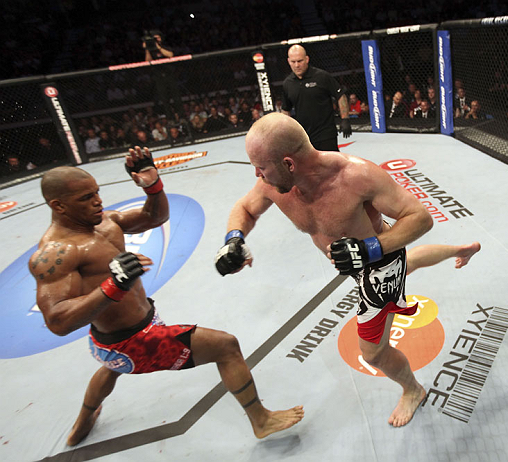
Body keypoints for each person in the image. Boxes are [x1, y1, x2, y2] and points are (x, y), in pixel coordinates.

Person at [215, 113, 480, 427]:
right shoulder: (272, 184)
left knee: (373, 354)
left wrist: (368, 249)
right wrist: (234, 239)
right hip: (352, 261)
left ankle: (413, 390)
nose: (256, 173)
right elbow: (244, 208)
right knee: (412, 262)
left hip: (378, 264)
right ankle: (461, 250)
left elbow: (420, 218)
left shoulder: (357, 176)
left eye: (261, 165)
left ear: (289, 164)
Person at [30, 146, 303, 446]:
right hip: (129, 342)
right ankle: (261, 420)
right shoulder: (56, 253)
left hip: (120, 333)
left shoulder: (105, 221)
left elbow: (155, 216)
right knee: (226, 346)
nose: (98, 201)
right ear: (59, 206)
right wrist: (113, 285)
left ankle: (82, 422)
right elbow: (57, 321)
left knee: (110, 368)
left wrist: (153, 185)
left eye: (96, 192)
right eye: (86, 198)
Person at [281, 44, 351, 151]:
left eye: (300, 61)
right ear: (288, 61)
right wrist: (286, 131)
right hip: (303, 136)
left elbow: (340, 95)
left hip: (325, 134)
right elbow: (286, 110)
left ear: (307, 59)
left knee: (330, 165)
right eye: (293, 62)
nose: (296, 65)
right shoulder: (287, 83)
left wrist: (345, 119)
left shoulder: (322, 76)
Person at [143, 30, 182, 120]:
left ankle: (181, 116)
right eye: (155, 38)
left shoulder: (165, 47)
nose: (157, 39)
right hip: (159, 77)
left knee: (176, 98)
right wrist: (147, 49)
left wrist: (158, 47)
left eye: (158, 37)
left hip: (169, 75)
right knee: (164, 99)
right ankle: (170, 118)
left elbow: (170, 55)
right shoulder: (151, 51)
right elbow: (147, 61)